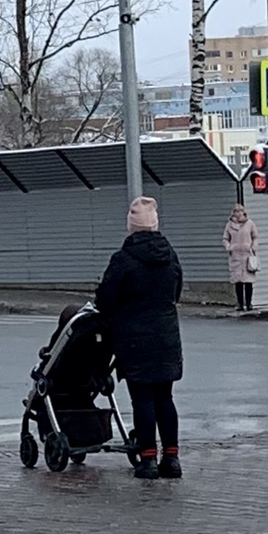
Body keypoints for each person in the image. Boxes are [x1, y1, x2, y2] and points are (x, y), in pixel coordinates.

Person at [96, 196, 185, 480]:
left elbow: (106, 300)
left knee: (143, 400)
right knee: (165, 399)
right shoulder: (169, 255)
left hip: (134, 339)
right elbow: (177, 292)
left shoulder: (123, 259)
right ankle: (171, 459)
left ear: (131, 226)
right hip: (167, 337)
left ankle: (147, 460)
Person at [223, 199, 259, 314]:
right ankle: (240, 303)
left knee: (248, 282)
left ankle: (249, 303)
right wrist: (229, 247)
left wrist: (253, 247)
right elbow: (225, 238)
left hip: (247, 255)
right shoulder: (229, 225)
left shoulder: (250, 223)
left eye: (240, 211)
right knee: (238, 281)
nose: (238, 214)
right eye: (236, 211)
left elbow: (255, 237)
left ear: (244, 212)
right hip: (236, 255)